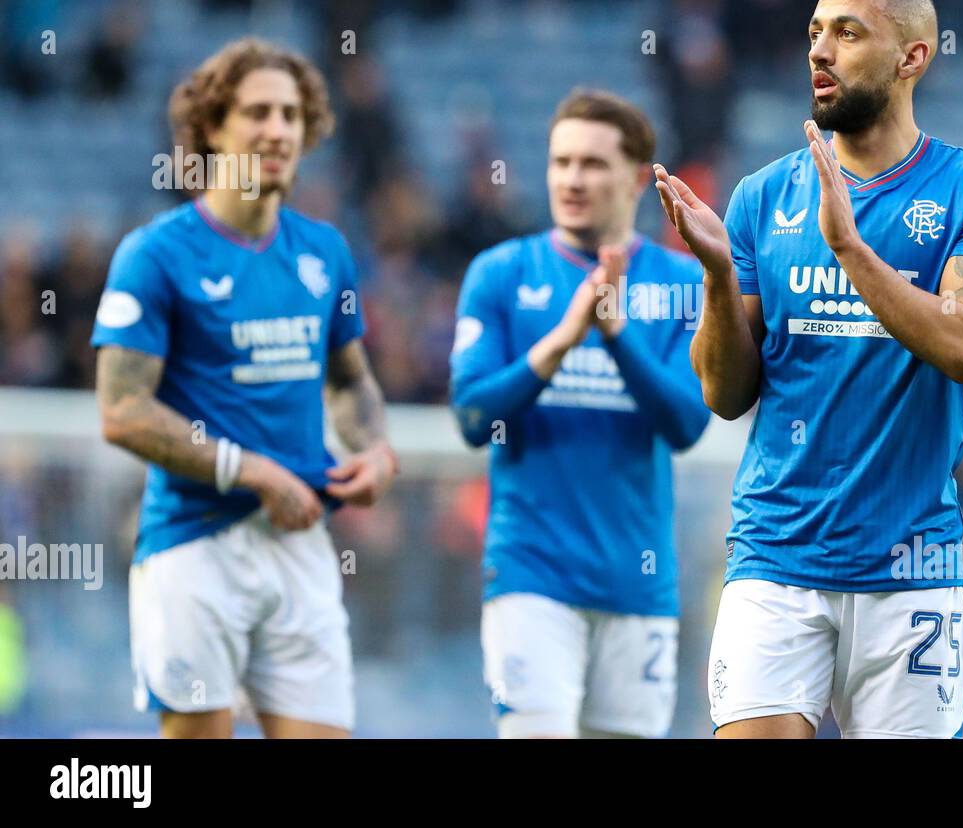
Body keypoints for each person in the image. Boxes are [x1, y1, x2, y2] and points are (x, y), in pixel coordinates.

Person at [656, 0, 963, 738]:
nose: (821, 50)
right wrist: (720, 277)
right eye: (815, 32)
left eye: (849, 33)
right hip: (775, 558)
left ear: (912, 56)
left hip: (909, 574)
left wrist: (850, 249)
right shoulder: (761, 197)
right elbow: (724, 393)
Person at [92, 38, 398, 738]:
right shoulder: (155, 254)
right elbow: (121, 411)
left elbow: (352, 382)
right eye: (257, 111)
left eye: (292, 114)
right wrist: (249, 469)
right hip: (194, 548)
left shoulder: (325, 252)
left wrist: (375, 449)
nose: (278, 130)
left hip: (301, 541)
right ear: (212, 129)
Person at [450, 89, 710, 738]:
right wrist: (563, 339)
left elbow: (687, 424)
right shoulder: (502, 273)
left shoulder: (684, 285)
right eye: (560, 161)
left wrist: (617, 335)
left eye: (592, 164)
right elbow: (473, 416)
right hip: (530, 574)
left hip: (637, 583)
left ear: (635, 179)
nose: (571, 178)